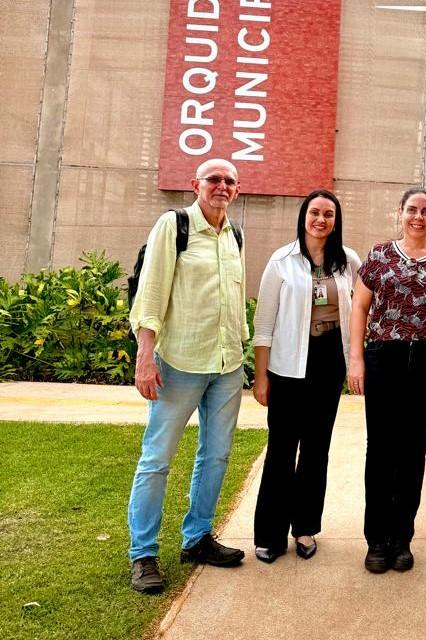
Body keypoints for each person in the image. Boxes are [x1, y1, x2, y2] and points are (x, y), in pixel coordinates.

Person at [127, 158, 247, 594]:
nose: (222, 186)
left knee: (215, 457)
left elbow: (235, 294)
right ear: (195, 185)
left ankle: (197, 538)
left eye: (229, 181)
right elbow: (151, 293)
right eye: (214, 179)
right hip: (177, 363)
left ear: (236, 189)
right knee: (157, 460)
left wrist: (243, 349)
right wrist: (145, 357)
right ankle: (143, 554)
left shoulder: (235, 234)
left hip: (226, 366)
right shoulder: (173, 225)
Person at [347, 187, 426, 573]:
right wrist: (356, 360)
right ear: (400, 213)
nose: (418, 216)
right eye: (412, 210)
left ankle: (402, 538)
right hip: (384, 358)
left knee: (413, 452)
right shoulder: (379, 255)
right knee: (380, 451)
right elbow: (360, 307)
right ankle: (376, 540)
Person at [250, 189, 361, 563]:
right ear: (303, 216)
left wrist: (355, 360)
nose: (321, 220)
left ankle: (306, 528)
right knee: (281, 451)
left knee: (316, 450)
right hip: (286, 366)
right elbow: (263, 323)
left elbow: (359, 313)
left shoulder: (348, 261)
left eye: (329, 214)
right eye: (315, 213)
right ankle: (269, 534)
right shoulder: (281, 261)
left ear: (336, 220)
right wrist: (261, 376)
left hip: (329, 363)